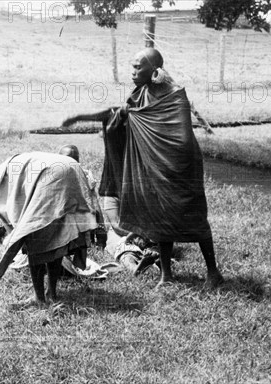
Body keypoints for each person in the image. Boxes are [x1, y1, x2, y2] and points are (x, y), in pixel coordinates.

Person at [67, 48, 224, 288]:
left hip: (180, 168)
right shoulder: (139, 95)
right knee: (158, 215)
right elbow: (116, 114)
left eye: (138, 67)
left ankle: (213, 273)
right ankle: (167, 274)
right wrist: (80, 116)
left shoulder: (174, 96)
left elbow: (181, 138)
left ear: (155, 70)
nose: (133, 72)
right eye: (132, 66)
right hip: (152, 168)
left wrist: (161, 156)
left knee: (195, 217)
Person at [0, 152, 100, 304]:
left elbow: (13, 209)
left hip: (54, 176)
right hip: (72, 168)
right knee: (58, 239)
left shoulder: (3, 177)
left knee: (35, 240)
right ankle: (52, 293)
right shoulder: (21, 163)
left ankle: (39, 297)